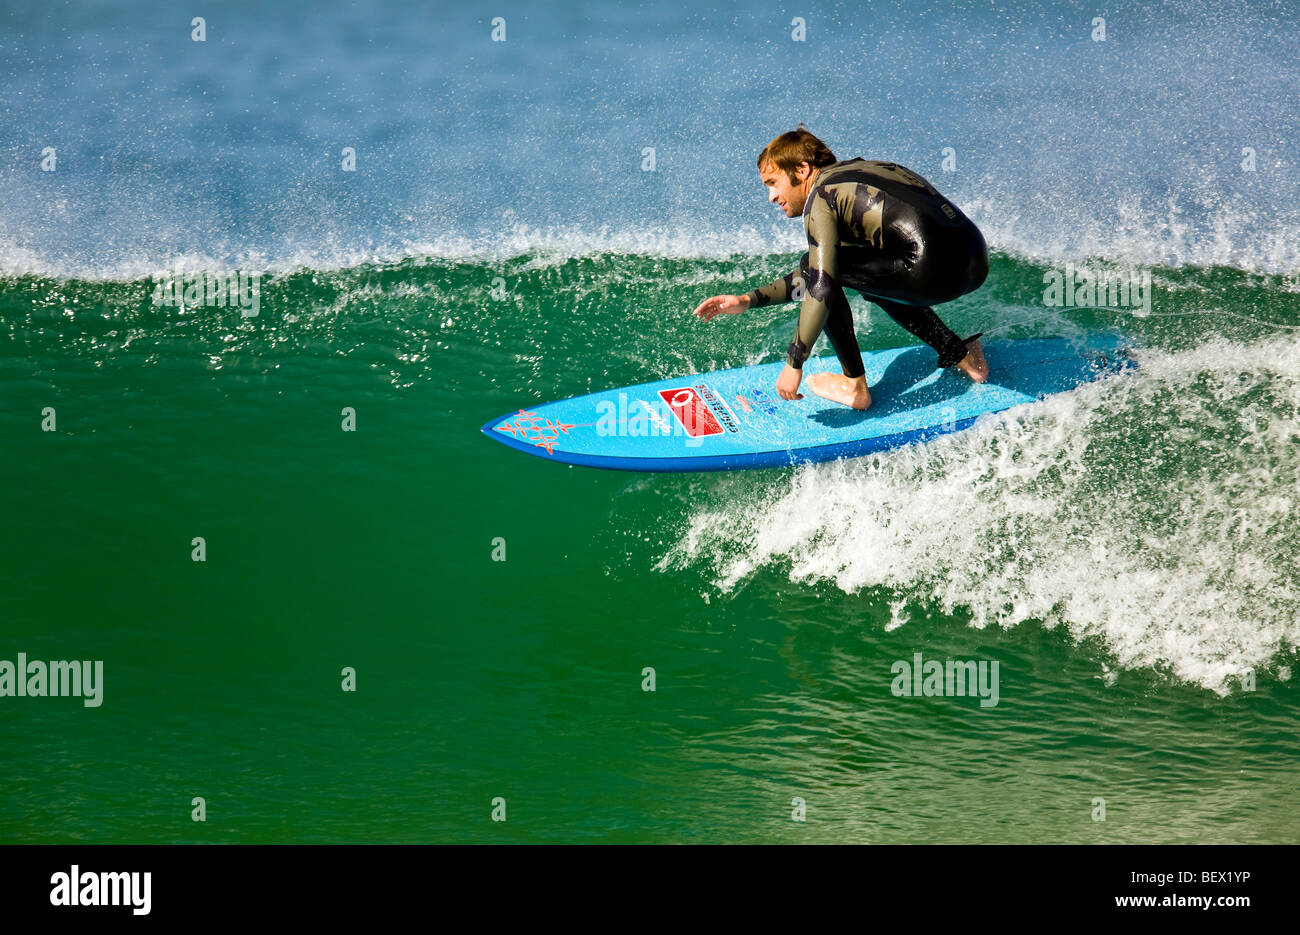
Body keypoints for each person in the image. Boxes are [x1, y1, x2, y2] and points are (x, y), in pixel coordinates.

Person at [693, 128, 989, 410]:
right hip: (975, 260)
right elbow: (834, 271)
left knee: (819, 267)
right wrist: (747, 300)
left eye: (773, 183)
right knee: (871, 273)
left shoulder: (821, 198)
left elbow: (820, 282)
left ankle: (854, 387)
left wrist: (794, 362)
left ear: (802, 170)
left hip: (930, 273)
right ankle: (960, 355)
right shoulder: (865, 173)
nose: (771, 197)